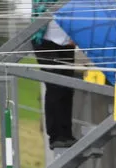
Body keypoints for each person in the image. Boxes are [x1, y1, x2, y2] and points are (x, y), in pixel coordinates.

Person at [31, 0, 77, 149]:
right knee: (55, 86)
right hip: (45, 40)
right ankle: (55, 136)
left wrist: (77, 35)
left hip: (66, 42)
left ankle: (66, 134)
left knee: (67, 88)